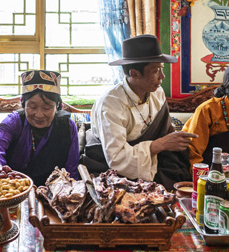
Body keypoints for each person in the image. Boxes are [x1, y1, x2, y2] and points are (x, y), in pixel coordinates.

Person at [82, 34, 196, 189]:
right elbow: (116, 159)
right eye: (155, 71)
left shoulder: (157, 92)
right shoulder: (110, 104)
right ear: (134, 74)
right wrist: (158, 145)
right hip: (110, 168)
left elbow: (164, 131)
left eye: (161, 69)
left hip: (154, 160)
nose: (162, 77)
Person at [0, 70, 79, 186]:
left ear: (58, 106)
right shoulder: (14, 121)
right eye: (32, 107)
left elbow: (72, 169)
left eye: (47, 108)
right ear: (23, 104)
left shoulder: (68, 126)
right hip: (13, 190)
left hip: (55, 192)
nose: (39, 115)